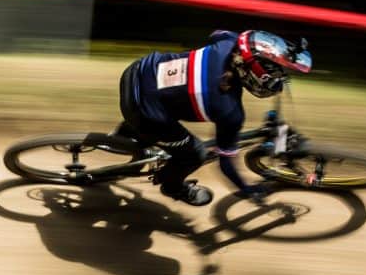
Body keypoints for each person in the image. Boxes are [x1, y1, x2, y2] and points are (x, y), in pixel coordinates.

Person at [116, 30, 312, 206]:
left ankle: (128, 134)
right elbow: (225, 164)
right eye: (275, 74)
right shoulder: (230, 111)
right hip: (141, 108)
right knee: (196, 154)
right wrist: (247, 190)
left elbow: (216, 34)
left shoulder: (228, 41)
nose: (279, 79)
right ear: (256, 76)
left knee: (168, 101)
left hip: (137, 71)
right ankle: (172, 187)